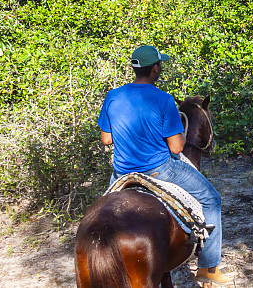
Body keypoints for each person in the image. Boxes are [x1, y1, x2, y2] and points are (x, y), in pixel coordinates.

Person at [98, 45, 234, 285]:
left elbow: (106, 139)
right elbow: (176, 148)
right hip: (159, 169)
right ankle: (208, 268)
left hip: (121, 172)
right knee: (212, 199)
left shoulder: (113, 96)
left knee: (101, 215)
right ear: (156, 68)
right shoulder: (163, 99)